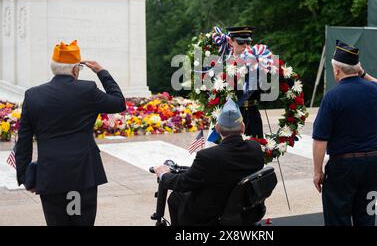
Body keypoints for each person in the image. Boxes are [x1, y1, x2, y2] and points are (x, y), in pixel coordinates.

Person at [15, 40, 126, 226]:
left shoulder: (33, 95)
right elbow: (118, 102)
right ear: (76, 70)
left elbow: (24, 140)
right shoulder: (87, 90)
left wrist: (26, 177)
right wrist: (101, 72)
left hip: (50, 175)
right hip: (83, 175)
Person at [312, 40, 377, 226]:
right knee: (368, 216)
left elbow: (320, 139)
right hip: (373, 166)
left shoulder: (332, 96)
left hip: (342, 168)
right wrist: (362, 73)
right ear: (356, 68)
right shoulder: (373, 91)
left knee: (338, 219)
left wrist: (317, 172)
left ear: (336, 70)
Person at [153, 98, 264, 225]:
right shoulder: (255, 148)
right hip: (247, 211)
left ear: (216, 128)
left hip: (213, 215)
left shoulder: (208, 156)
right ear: (243, 127)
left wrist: (163, 174)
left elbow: (183, 183)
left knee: (176, 197)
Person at [226, 26, 264, 138]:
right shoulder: (224, 64)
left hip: (252, 114)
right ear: (231, 41)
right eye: (241, 42)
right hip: (232, 116)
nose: (245, 46)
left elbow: (265, 94)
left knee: (257, 150)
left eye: (248, 42)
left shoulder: (257, 63)